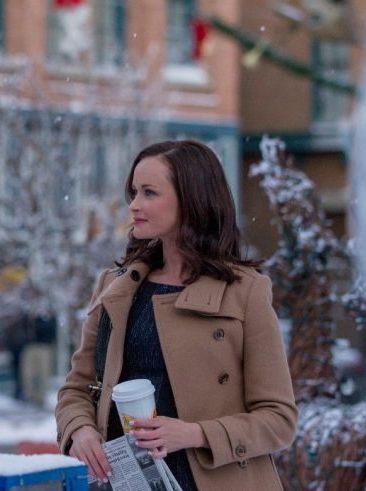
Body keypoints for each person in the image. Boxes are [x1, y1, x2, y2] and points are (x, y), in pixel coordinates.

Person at [55, 140, 297, 490]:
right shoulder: (116, 288)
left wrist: (194, 433)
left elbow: (279, 419)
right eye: (134, 192)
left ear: (192, 201)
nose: (134, 205)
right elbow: (76, 388)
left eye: (149, 193)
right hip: (127, 481)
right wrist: (80, 430)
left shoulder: (246, 292)